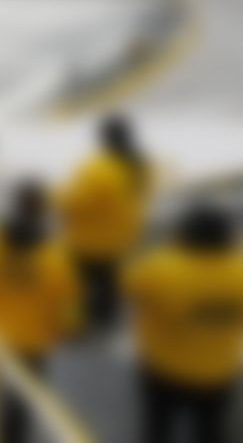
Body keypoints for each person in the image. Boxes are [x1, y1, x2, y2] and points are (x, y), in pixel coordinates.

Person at [123, 203, 243, 443]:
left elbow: (131, 290)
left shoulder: (160, 267)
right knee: (210, 430)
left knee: (158, 427)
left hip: (164, 367)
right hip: (219, 371)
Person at [0, 179, 81, 443]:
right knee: (20, 403)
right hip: (30, 345)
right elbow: (68, 309)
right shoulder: (56, 260)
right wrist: (66, 332)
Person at [55, 112, 152, 331]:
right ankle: (107, 319)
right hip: (123, 237)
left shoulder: (96, 169)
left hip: (88, 242)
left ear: (103, 138)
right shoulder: (140, 164)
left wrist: (52, 197)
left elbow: (73, 203)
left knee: (75, 287)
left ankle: (77, 324)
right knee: (109, 283)